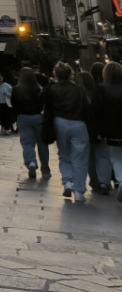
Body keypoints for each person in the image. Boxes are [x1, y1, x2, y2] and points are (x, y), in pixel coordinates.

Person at [46, 61, 91, 203]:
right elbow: (86, 109)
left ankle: (67, 182)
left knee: (64, 155)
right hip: (79, 123)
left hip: (59, 123)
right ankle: (79, 191)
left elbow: (48, 108)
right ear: (70, 74)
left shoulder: (52, 89)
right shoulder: (78, 89)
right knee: (80, 158)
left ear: (56, 75)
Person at [90, 62, 122, 199]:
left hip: (109, 131)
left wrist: (98, 131)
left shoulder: (101, 89)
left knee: (112, 157)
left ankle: (114, 182)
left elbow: (95, 111)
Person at [12, 66, 50, 182]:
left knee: (27, 143)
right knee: (42, 144)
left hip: (23, 117)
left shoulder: (16, 89)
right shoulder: (38, 88)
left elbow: (14, 104)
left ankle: (31, 162)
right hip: (37, 117)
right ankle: (45, 169)